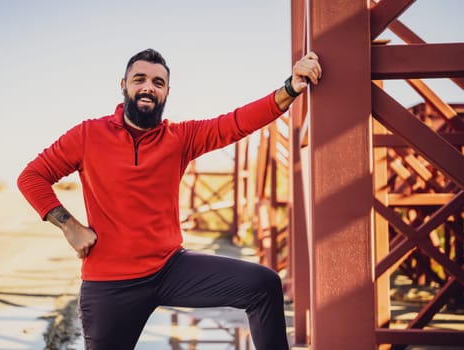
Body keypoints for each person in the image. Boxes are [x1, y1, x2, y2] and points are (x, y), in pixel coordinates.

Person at [17, 48, 321, 350]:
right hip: (110, 283)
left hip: (170, 269)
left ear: (166, 93)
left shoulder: (180, 138)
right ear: (123, 85)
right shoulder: (87, 135)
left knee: (263, 285)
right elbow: (31, 177)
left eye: (158, 83)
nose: (148, 86)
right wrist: (69, 225)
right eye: (140, 79)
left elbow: (237, 122)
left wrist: (291, 88)